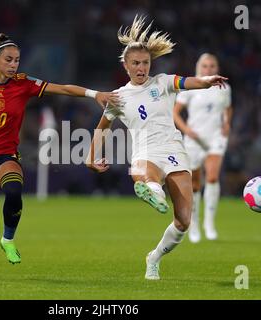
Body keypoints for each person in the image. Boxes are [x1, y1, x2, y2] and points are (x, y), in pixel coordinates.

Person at [0, 33, 119, 278]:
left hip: (4, 157)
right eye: (8, 60)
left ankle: (7, 239)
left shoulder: (23, 83)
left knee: (14, 189)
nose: (13, 65)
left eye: (17, 60)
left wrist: (95, 94)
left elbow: (61, 88)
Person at [86, 16, 228, 280]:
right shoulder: (118, 97)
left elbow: (187, 82)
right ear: (125, 65)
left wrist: (206, 80)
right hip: (144, 152)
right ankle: (152, 191)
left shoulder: (162, 82)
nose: (141, 68)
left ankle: (154, 256)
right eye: (136, 63)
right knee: (146, 175)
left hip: (174, 149)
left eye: (145, 63)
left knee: (184, 220)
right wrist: (90, 156)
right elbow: (101, 127)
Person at [174, 53, 232, 242]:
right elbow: (175, 113)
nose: (209, 69)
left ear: (217, 68)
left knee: (213, 177)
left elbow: (228, 108)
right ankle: (194, 225)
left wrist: (227, 123)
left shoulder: (224, 88)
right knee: (195, 184)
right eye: (205, 66)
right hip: (194, 140)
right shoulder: (190, 87)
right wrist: (186, 130)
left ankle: (210, 223)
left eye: (212, 66)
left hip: (215, 137)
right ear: (199, 68)